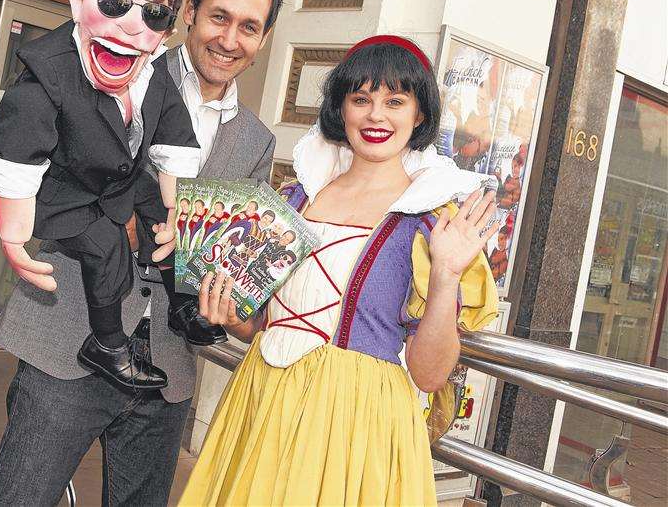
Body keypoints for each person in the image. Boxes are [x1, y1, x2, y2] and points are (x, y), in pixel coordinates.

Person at [0, 0, 281, 506]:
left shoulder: (258, 143)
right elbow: (33, 179)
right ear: (187, 11)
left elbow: (230, 255)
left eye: (249, 26)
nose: (229, 39)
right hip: (65, 340)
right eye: (219, 16)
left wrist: (228, 295)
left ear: (263, 40)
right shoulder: (111, 57)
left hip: (166, 364)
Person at [180, 35, 500, 506]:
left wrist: (448, 273)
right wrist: (231, 314)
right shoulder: (294, 199)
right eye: (361, 99)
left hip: (356, 423)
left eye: (395, 101)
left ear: (420, 115)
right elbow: (258, 327)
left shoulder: (430, 220)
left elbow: (430, 374)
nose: (376, 115)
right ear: (341, 109)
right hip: (262, 401)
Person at [0, 0, 202, 391]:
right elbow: (14, 151)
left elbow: (172, 137)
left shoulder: (155, 72)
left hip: (110, 177)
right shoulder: (47, 77)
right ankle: (106, 343)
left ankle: (181, 300)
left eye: (154, 13)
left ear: (166, 30)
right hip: (57, 191)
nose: (130, 26)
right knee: (107, 248)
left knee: (161, 210)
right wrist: (14, 239)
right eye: (114, 0)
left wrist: (176, 209)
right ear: (78, 3)